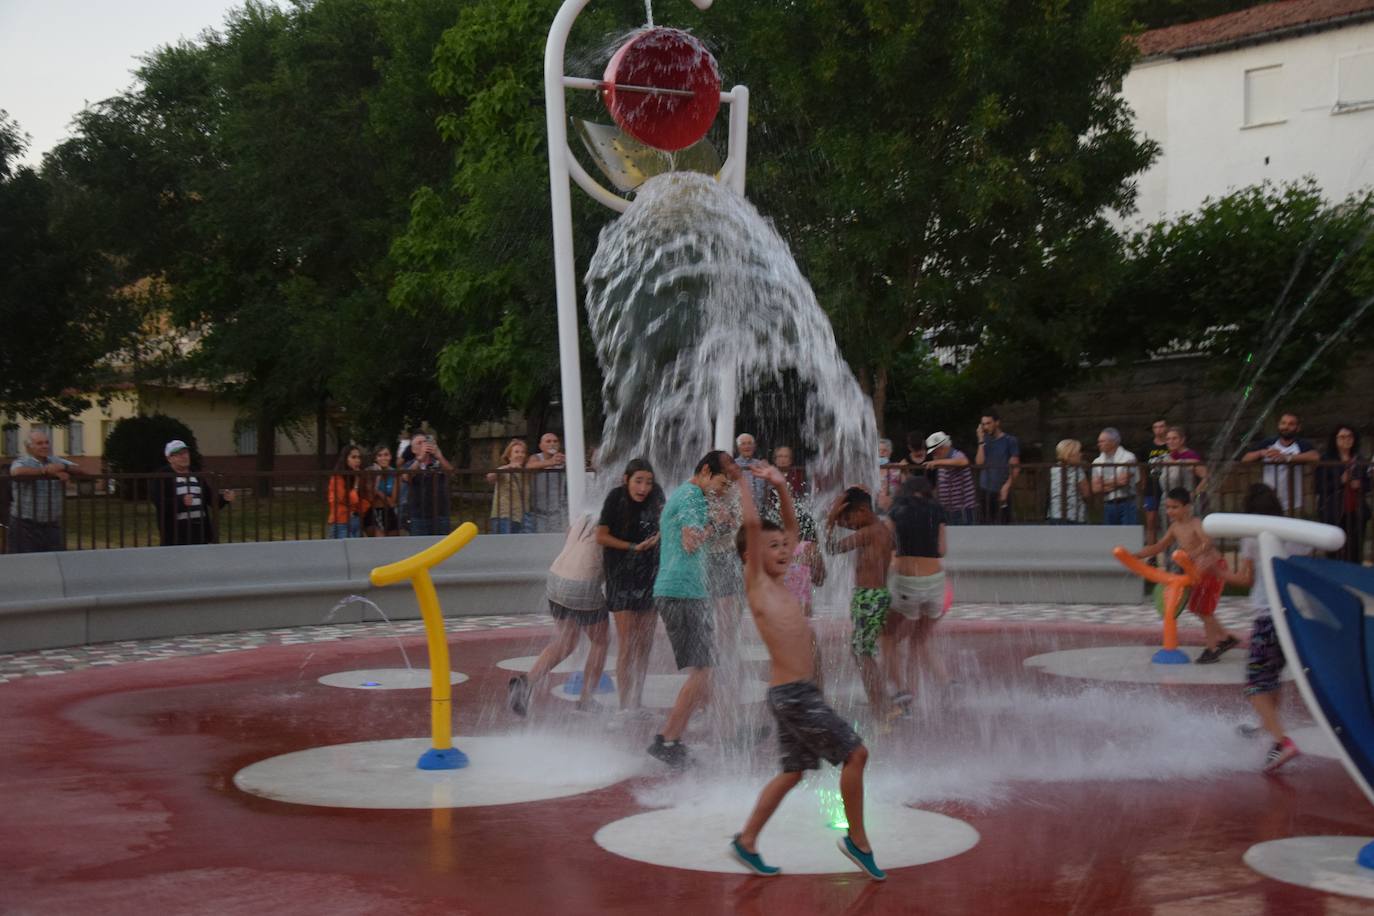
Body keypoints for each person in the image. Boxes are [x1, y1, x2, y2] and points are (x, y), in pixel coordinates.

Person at [729, 462, 883, 881]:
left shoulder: (780, 586)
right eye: (772, 546)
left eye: (784, 546)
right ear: (750, 557)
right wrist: (744, 484)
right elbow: (750, 525)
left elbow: (796, 532)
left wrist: (780, 486)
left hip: (794, 694)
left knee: (793, 772)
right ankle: (858, 840)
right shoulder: (757, 585)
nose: (783, 550)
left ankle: (746, 841)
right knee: (857, 753)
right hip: (794, 696)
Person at [647, 450, 734, 767]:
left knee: (706, 669)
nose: (724, 491)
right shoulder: (693, 496)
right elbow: (691, 542)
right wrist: (717, 524)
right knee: (705, 670)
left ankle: (727, 730)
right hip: (681, 593)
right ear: (707, 471)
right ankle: (668, 739)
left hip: (683, 591)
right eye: (723, 483)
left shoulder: (686, 495)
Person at [1224, 483, 1313, 772]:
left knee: (1256, 683)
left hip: (1268, 616)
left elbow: (1246, 579)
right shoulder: (1298, 535)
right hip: (1295, 615)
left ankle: (1281, 740)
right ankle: (1266, 726)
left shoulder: (1253, 538)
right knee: (1271, 676)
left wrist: (1216, 571)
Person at [507, 515, 610, 715]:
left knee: (567, 640)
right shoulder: (616, 518)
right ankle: (586, 700)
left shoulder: (587, 516)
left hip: (556, 579)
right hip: (582, 584)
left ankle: (526, 682)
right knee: (601, 641)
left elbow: (569, 534)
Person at [1134, 488, 1240, 663]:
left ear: (1187, 507)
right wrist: (1137, 555)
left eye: (1174, 507)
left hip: (1212, 568)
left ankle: (1212, 649)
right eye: (1167, 507)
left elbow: (1207, 542)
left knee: (1204, 609)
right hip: (1198, 571)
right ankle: (1226, 638)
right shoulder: (1175, 527)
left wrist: (1193, 554)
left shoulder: (1195, 523)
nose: (1170, 511)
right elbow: (1159, 546)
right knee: (1198, 607)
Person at [596, 458, 664, 720]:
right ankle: (625, 706)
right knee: (627, 642)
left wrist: (662, 535)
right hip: (621, 575)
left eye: (648, 481)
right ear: (626, 479)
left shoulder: (657, 495)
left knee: (644, 643)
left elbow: (667, 521)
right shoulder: (615, 498)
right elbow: (600, 536)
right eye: (638, 481)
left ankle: (637, 700)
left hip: (649, 575)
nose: (644, 487)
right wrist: (633, 547)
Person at [826, 486, 895, 716]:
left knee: (861, 654)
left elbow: (833, 548)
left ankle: (882, 707)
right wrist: (837, 515)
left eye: (851, 516)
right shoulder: (875, 528)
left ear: (864, 510)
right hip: (871, 597)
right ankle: (882, 703)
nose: (849, 522)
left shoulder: (871, 532)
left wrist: (829, 522)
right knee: (862, 653)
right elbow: (848, 525)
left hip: (870, 598)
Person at [886, 476, 948, 706]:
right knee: (919, 640)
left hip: (908, 582)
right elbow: (942, 550)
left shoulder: (896, 512)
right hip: (936, 582)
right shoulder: (938, 511)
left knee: (888, 636)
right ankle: (923, 688)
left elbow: (885, 548)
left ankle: (901, 691)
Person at [7, 429, 82, 553]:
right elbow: (16, 472)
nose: (45, 446)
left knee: (54, 562)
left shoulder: (56, 461)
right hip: (25, 525)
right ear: (29, 447)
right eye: (39, 443)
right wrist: (44, 471)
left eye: (47, 442)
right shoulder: (22, 461)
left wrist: (64, 468)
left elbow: (82, 470)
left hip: (51, 524)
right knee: (24, 563)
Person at [151, 439, 234, 546]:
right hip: (175, 535)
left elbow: (210, 499)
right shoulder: (162, 476)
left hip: (199, 532)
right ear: (169, 458)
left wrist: (224, 499)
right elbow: (159, 502)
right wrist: (181, 503)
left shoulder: (196, 475)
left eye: (185, 453)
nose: (184, 456)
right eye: (178, 454)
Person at [1241, 412, 1319, 513]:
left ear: (1298, 428)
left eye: (1291, 424)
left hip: (1293, 503)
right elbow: (1245, 459)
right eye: (1283, 423)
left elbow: (1315, 456)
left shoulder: (1301, 444)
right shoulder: (1268, 443)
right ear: (1279, 425)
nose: (1286, 427)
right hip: (1268, 501)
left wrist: (1287, 458)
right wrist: (1262, 453)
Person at [1314, 423, 1369, 564]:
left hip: (1356, 510)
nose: (1347, 440)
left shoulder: (1359, 459)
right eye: (1342, 437)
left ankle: (1354, 577)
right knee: (1334, 548)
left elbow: (1368, 483)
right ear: (1335, 439)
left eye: (1350, 436)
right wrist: (1340, 481)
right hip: (1334, 511)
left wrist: (1360, 484)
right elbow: (1319, 486)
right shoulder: (1326, 459)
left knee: (1356, 549)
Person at [975, 411, 1019, 524]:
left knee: (1004, 523)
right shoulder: (984, 441)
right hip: (985, 488)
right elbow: (979, 463)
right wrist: (980, 441)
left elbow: (1015, 466)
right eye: (983, 424)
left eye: (988, 423)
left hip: (1002, 487)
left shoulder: (1009, 441)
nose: (986, 427)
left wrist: (1007, 486)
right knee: (985, 523)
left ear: (997, 423)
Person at [405, 433, 453, 536]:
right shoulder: (411, 464)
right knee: (420, 546)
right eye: (419, 443)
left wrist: (440, 456)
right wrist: (420, 459)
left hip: (440, 513)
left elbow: (451, 473)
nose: (424, 445)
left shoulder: (438, 463)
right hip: (418, 515)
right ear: (413, 450)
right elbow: (406, 477)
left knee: (442, 545)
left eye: (425, 442)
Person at [924, 432, 976, 525]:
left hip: (961, 509)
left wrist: (937, 462)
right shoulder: (942, 460)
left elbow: (963, 462)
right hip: (948, 509)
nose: (934, 455)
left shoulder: (957, 455)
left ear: (942, 448)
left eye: (935, 451)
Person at [1090, 428, 1138, 525]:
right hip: (1108, 503)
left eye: (1102, 441)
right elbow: (1095, 488)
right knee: (1110, 536)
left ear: (1113, 442)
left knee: (1127, 535)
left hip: (1126, 502)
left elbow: (1124, 481)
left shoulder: (1128, 457)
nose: (1099, 444)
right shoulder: (1097, 461)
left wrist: (1103, 482)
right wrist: (1117, 481)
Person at [526, 431, 570, 533]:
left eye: (555, 441)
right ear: (541, 446)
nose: (552, 444)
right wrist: (551, 462)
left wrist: (568, 462)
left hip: (558, 512)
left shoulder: (563, 458)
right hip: (538, 512)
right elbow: (529, 466)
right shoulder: (536, 457)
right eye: (548, 441)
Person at [485, 438, 530, 534]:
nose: (520, 455)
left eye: (522, 452)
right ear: (509, 456)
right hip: (504, 516)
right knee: (503, 546)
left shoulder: (525, 473)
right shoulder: (504, 470)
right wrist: (508, 467)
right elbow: (490, 477)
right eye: (516, 452)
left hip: (520, 517)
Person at [326, 445, 369, 539]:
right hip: (341, 522)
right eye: (353, 457)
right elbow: (346, 499)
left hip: (356, 521)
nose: (357, 460)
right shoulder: (337, 478)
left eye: (359, 457)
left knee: (357, 551)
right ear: (345, 459)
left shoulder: (358, 476)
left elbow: (365, 500)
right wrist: (356, 484)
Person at [1158, 426, 1207, 505]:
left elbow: (1207, 477)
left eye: (1174, 438)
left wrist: (1194, 494)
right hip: (1168, 501)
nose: (1171, 441)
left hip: (1184, 502)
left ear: (1182, 440)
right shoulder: (1168, 457)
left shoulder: (1191, 456)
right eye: (1168, 439)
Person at [1143, 419, 1171, 545]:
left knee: (1169, 519)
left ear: (1166, 428)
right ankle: (1151, 553)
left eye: (1161, 426)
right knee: (1151, 520)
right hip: (1152, 486)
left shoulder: (1171, 445)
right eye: (1156, 427)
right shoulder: (1147, 446)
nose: (1159, 429)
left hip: (1168, 485)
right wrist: (1143, 484)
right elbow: (1142, 467)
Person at [365, 445, 401, 537]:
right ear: (375, 458)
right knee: (380, 540)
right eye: (380, 455)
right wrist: (378, 477)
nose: (383, 458)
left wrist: (377, 491)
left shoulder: (394, 474)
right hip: (374, 512)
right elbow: (370, 498)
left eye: (386, 455)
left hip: (389, 512)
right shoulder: (369, 473)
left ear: (390, 457)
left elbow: (392, 502)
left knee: (393, 542)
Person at [734, 432, 767, 506]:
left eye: (749, 443)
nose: (747, 446)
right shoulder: (733, 465)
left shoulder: (761, 465)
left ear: (754, 446)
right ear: (738, 448)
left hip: (759, 509)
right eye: (743, 444)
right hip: (738, 508)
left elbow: (768, 488)